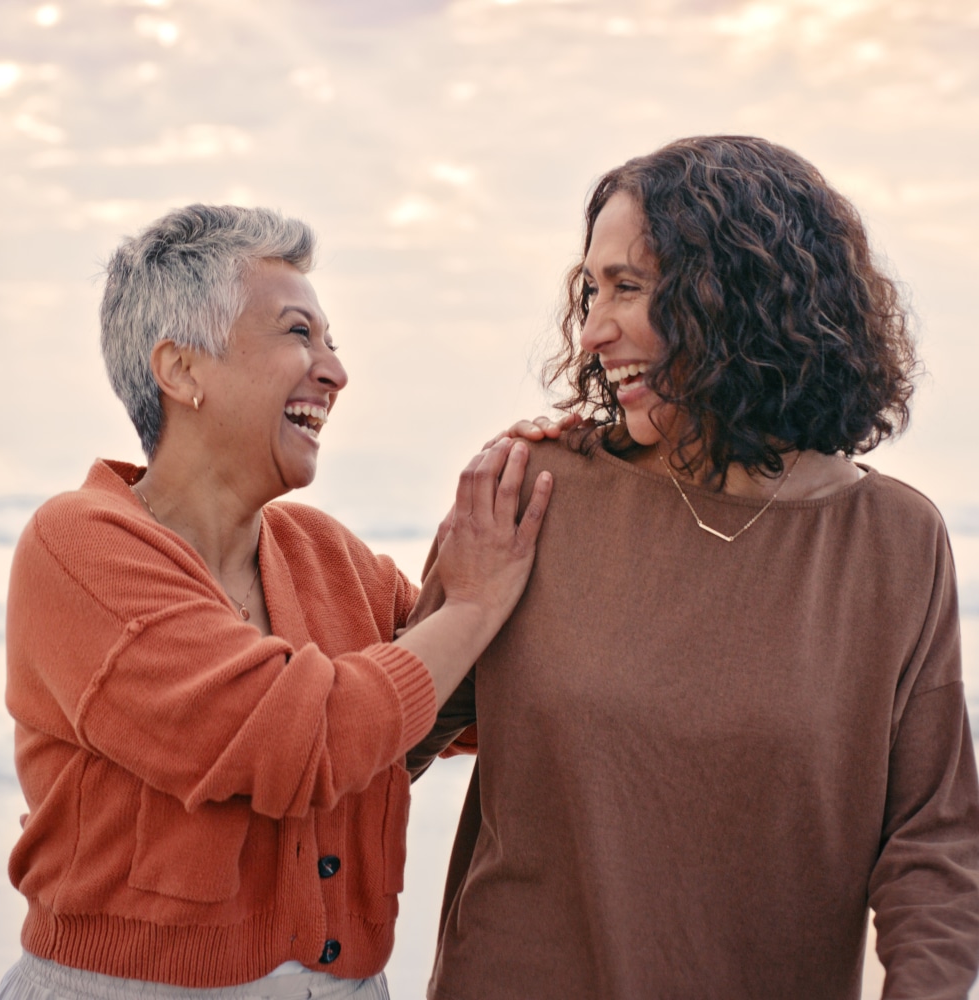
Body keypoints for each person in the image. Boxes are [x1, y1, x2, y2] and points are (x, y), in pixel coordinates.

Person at [407, 135, 979, 999]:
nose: (594, 330)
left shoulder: (893, 541)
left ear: (739, 297)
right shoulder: (537, 491)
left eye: (628, 289)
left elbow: (933, 841)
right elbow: (388, 743)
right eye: (591, 289)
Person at [0, 204, 554, 999]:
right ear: (182, 370)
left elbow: (467, 694)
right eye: (299, 334)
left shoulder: (324, 552)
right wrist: (468, 606)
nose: (334, 370)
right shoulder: (80, 546)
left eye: (332, 342)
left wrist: (546, 489)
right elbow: (297, 740)